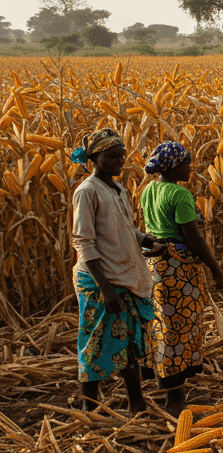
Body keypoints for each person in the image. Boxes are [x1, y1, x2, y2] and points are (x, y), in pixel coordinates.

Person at [69, 128, 165, 414]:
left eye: (122, 156)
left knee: (130, 346)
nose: (119, 161)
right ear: (95, 158)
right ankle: (89, 406)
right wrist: (106, 289)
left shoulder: (118, 188)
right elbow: (83, 242)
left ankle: (137, 404)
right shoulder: (86, 192)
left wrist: (147, 240)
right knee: (96, 346)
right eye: (112, 157)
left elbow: (124, 228)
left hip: (125, 276)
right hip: (100, 280)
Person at [139, 141, 223, 413]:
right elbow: (192, 237)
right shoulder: (180, 195)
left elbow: (159, 225)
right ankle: (175, 397)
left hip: (154, 264)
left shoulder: (148, 190)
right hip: (178, 269)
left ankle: (163, 380)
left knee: (160, 324)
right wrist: (215, 267)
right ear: (174, 166)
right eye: (187, 163)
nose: (191, 168)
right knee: (180, 327)